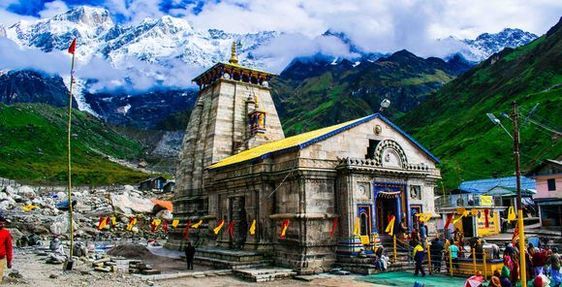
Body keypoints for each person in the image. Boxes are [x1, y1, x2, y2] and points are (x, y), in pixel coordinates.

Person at [0, 215, 13, 282]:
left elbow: (9, 248)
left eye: (3, 223)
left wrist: (9, 261)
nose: (2, 225)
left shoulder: (6, 233)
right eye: (0, 223)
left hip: (1, 258)